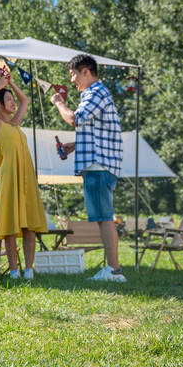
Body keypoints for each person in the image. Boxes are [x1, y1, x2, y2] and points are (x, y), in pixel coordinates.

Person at [49, 53, 125, 282]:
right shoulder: (95, 94)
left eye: (73, 74)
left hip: (99, 164)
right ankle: (112, 269)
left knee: (105, 217)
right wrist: (74, 145)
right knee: (102, 217)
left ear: (85, 71)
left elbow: (74, 119)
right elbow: (94, 130)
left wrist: (58, 102)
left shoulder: (95, 92)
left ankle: (114, 270)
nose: (72, 80)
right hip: (98, 162)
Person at [0, 69, 48, 280]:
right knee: (11, 228)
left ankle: (28, 270)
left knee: (30, 227)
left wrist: (11, 84)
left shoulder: (15, 124)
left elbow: (25, 100)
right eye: (7, 100)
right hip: (10, 180)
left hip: (27, 179)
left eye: (12, 99)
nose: (13, 102)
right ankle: (14, 271)